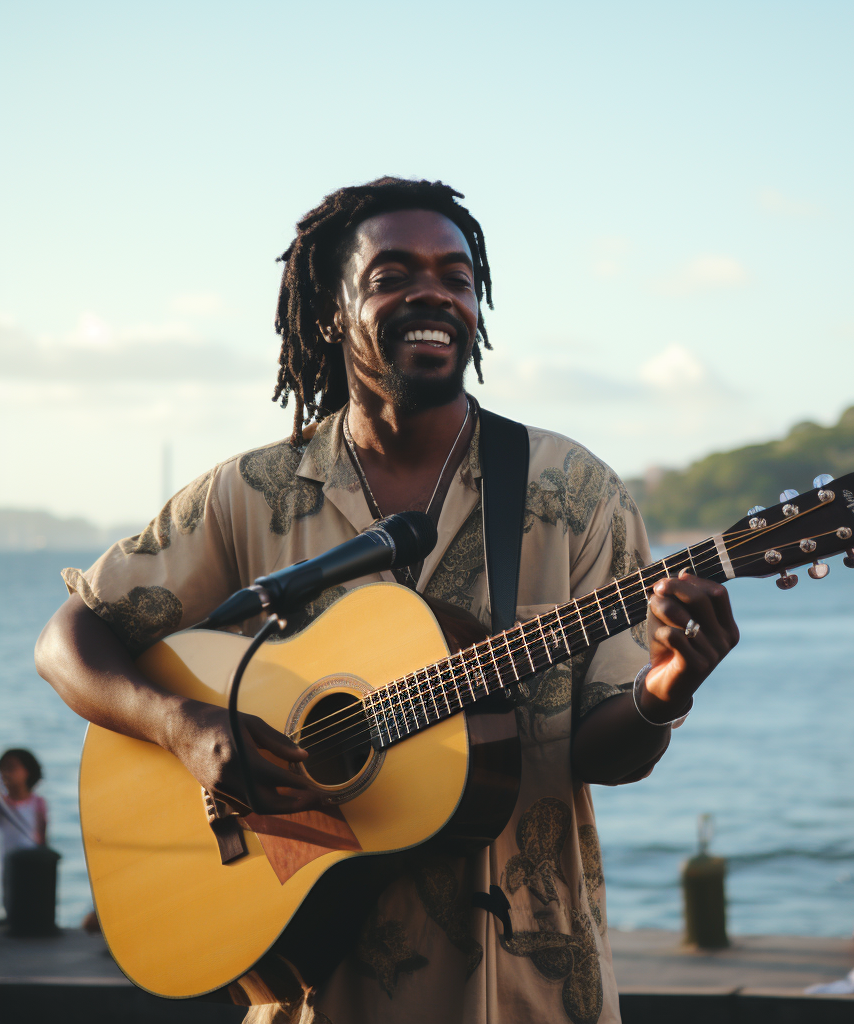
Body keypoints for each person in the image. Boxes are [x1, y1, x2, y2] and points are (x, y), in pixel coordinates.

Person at [35, 177, 740, 1024]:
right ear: (332, 310)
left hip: (520, 994)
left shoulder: (573, 494)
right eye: (392, 274)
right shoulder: (250, 496)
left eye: (456, 275)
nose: (432, 293)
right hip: (313, 990)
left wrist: (667, 688)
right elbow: (69, 640)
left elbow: (606, 754)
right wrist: (185, 728)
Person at [0, 748, 48, 915]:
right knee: (10, 897)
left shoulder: (38, 803)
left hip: (32, 861)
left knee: (32, 897)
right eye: (2, 768)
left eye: (11, 768)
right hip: (8, 861)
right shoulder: (3, 804)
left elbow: (42, 836)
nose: (5, 773)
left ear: (27, 771)